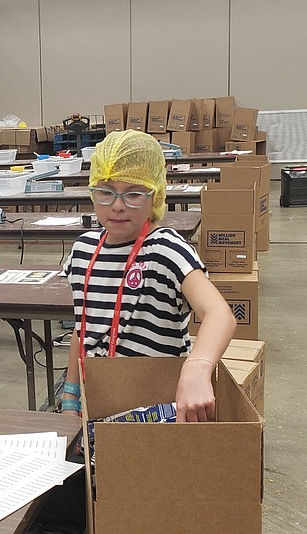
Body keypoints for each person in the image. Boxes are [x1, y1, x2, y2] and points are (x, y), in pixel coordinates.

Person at [61, 129, 236, 421]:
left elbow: (220, 313)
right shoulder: (83, 251)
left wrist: (199, 366)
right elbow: (83, 327)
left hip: (157, 409)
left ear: (154, 195)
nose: (117, 205)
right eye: (105, 191)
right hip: (97, 406)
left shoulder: (166, 250)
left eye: (133, 193)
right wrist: (70, 398)